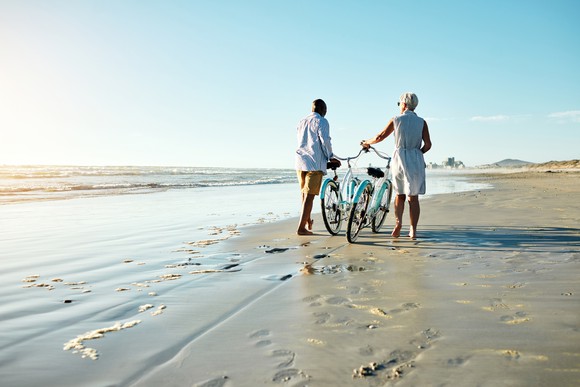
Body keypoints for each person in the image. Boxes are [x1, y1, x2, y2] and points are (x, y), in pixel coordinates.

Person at [361, 92, 432, 239]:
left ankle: (398, 223)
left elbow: (380, 136)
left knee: (399, 195)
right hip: (415, 158)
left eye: (399, 104)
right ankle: (413, 230)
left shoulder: (396, 119)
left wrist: (366, 142)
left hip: (399, 159)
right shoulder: (422, 122)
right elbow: (428, 144)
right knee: (413, 197)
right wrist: (418, 153)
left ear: (404, 104)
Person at [295, 99, 341, 235]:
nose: (326, 112)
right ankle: (301, 228)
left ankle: (307, 221)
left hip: (300, 161)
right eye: (325, 110)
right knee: (310, 196)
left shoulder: (301, 121)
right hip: (315, 163)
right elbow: (325, 140)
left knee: (304, 194)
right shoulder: (321, 121)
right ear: (321, 109)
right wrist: (330, 156)